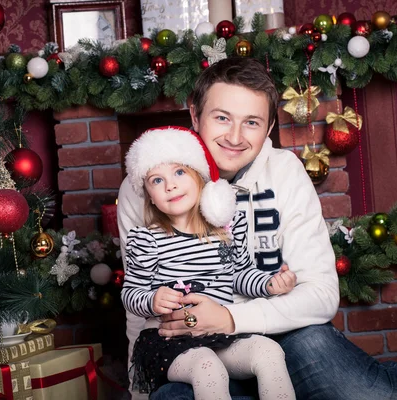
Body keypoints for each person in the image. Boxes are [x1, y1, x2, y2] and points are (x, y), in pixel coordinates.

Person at [117, 56, 397, 399]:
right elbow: (137, 295)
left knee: (373, 393)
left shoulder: (285, 171)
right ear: (194, 114)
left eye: (251, 122)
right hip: (189, 350)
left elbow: (321, 296)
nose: (234, 136)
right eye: (221, 118)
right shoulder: (147, 184)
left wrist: (229, 318)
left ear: (269, 128)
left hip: (284, 334)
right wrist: (138, 391)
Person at [121, 126, 297, 399]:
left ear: (200, 177)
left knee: (268, 351)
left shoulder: (225, 229)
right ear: (149, 196)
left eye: (180, 172)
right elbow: (131, 294)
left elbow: (238, 276)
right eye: (157, 180)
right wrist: (152, 299)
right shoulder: (147, 240)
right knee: (207, 367)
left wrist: (269, 284)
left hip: (217, 335)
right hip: (169, 340)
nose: (171, 185)